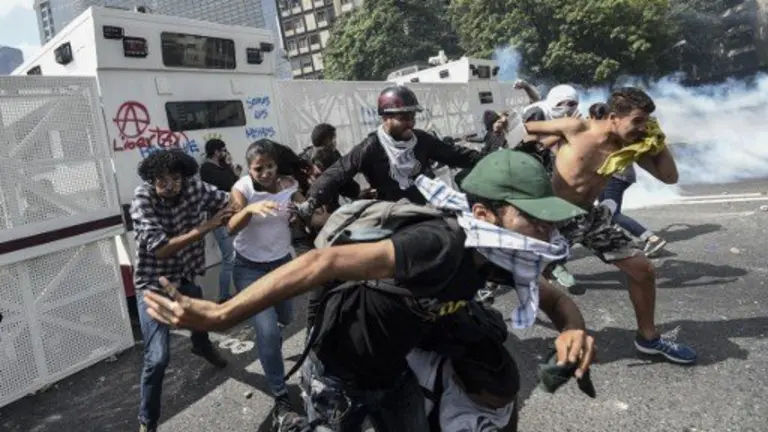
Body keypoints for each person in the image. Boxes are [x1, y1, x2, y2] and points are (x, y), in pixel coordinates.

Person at [141, 150, 596, 432]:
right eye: (533, 218)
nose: (545, 231)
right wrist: (221, 315)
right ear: (484, 213)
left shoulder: (497, 255)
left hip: (392, 373)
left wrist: (572, 328)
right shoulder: (442, 244)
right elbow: (325, 262)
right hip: (337, 373)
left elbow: (553, 297)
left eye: (549, 220)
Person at [523, 87, 697, 364]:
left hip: (585, 217)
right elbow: (529, 125)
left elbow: (669, 177)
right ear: (614, 117)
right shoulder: (576, 127)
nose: (643, 128)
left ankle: (648, 339)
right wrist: (545, 141)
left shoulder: (631, 147)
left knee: (643, 269)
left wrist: (659, 142)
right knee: (524, 275)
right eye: (638, 121)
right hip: (547, 214)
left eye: (648, 122)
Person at [129, 149, 233, 432]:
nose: (170, 185)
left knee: (199, 317)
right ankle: (147, 421)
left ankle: (202, 347)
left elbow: (229, 199)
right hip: (154, 285)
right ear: (151, 180)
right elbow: (161, 249)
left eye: (175, 178)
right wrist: (206, 227)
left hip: (185, 278)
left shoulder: (194, 188)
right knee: (158, 358)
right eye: (161, 179)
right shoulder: (143, 198)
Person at [296, 85, 483, 223]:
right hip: (395, 218)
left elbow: (457, 155)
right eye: (403, 118)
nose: (411, 123)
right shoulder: (370, 147)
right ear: (385, 118)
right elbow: (338, 171)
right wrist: (311, 201)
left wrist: (493, 159)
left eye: (413, 117)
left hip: (429, 212)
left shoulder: (423, 140)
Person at [226, 139, 303, 425]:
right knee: (268, 333)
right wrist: (248, 210)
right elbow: (230, 227)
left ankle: (271, 345)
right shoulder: (242, 188)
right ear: (249, 169)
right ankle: (281, 396)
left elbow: (301, 216)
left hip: (282, 264)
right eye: (259, 168)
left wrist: (299, 214)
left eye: (270, 166)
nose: (266, 172)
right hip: (249, 269)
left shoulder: (288, 185)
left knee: (287, 315)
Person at [589, 103, 668, 257]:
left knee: (613, 213)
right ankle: (620, 243)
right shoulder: (617, 129)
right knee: (604, 212)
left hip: (616, 176)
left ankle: (651, 238)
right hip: (617, 175)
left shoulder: (606, 133)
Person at [200, 138, 242, 303]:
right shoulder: (207, 169)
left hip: (233, 214)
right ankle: (223, 296)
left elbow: (235, 185)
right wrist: (232, 172)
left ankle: (241, 290)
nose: (226, 153)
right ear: (216, 151)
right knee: (229, 258)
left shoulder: (223, 167)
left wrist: (232, 170)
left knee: (239, 255)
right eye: (223, 150)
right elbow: (227, 183)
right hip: (221, 218)